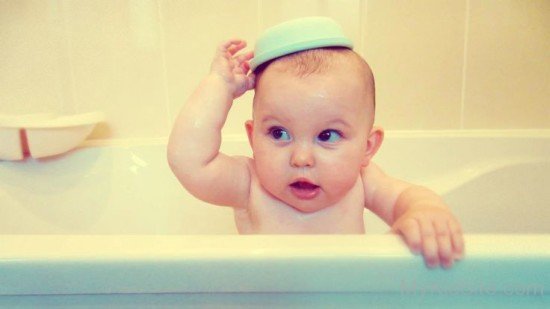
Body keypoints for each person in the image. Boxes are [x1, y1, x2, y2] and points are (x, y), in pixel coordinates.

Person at [168, 29, 464, 269]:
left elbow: (405, 196)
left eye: (327, 135)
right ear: (252, 137)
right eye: (278, 133)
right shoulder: (250, 183)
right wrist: (218, 86)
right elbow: (189, 161)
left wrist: (425, 210)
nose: (301, 158)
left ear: (367, 148)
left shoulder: (362, 180)